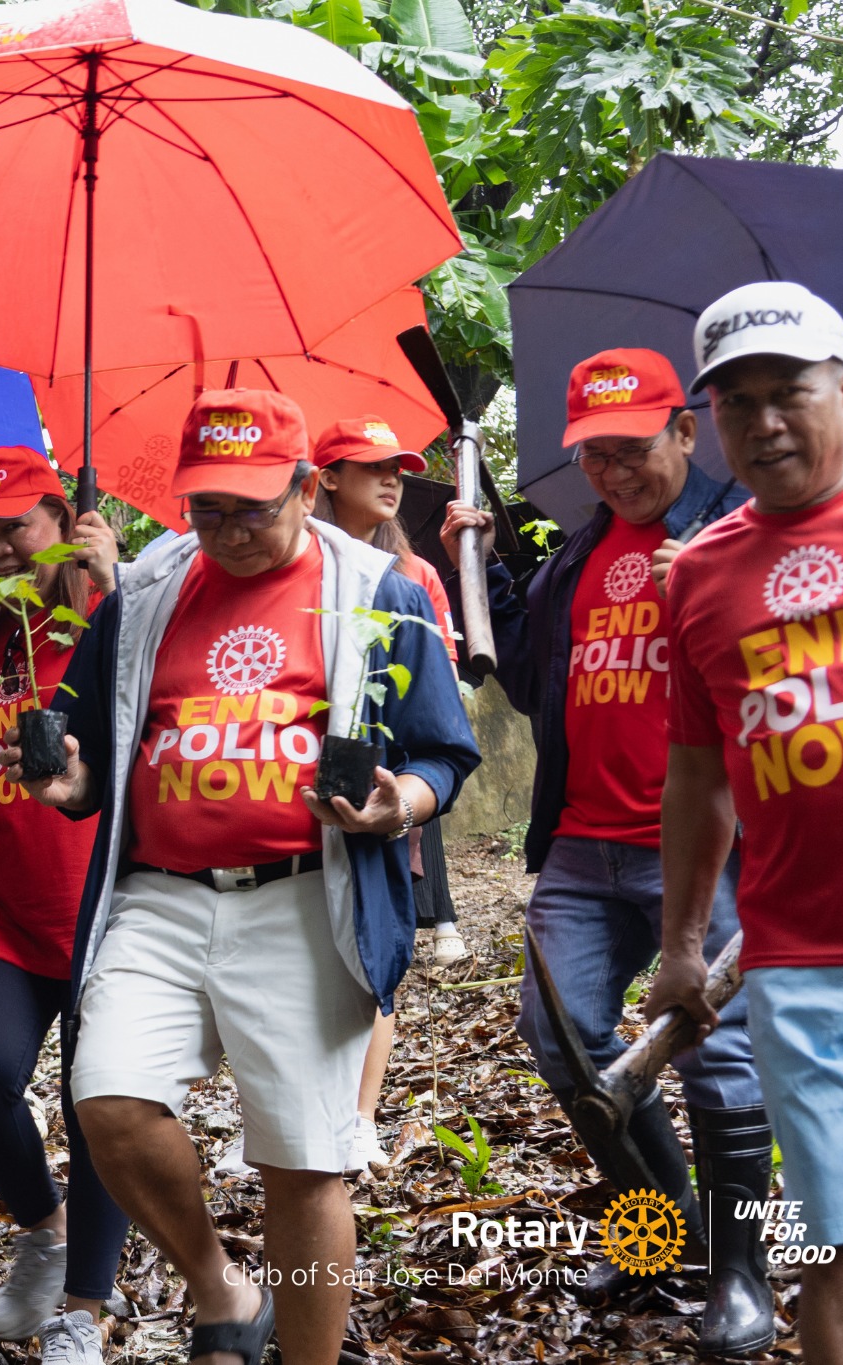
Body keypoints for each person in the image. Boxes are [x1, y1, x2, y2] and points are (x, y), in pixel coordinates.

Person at [22, 389, 478, 1365]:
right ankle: (217, 1283)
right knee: (105, 1100)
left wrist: (400, 802)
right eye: (206, 508)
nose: (225, 530)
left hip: (304, 899)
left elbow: (445, 751)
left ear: (306, 489)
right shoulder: (145, 586)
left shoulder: (376, 589)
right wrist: (70, 780)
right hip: (158, 895)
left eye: (251, 507)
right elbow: (91, 734)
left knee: (302, 1165)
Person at [441, 348, 768, 1351]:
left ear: (683, 429)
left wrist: (720, 588)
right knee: (560, 1035)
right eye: (592, 455)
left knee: (714, 1059)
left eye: (630, 449)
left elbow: (802, 663)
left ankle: (736, 1274)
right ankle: (660, 1234)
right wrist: (481, 563)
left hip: (706, 847)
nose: (613, 472)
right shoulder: (579, 555)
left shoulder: (745, 531)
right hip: (582, 840)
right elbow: (527, 674)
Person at [650, 282, 843, 1365]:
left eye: (786, 391)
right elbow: (695, 776)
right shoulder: (692, 575)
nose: (764, 421)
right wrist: (681, 945)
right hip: (796, 963)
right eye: (735, 403)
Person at [0, 446, 126, 1364]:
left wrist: (110, 584)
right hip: (4, 904)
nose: (0, 546)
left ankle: (87, 1308)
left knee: (96, 1105)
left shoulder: (105, 623)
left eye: (18, 527)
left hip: (102, 905)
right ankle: (42, 1233)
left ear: (58, 524)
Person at [302, 415, 462, 1180]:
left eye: (397, 465)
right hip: (298, 794)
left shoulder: (410, 578)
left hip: (381, 780)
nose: (393, 477)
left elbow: (432, 684)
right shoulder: (297, 575)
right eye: (372, 466)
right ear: (326, 476)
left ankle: (360, 1117)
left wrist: (405, 795)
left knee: (372, 952)